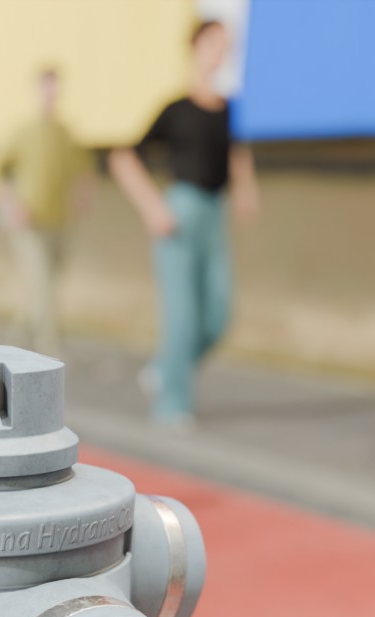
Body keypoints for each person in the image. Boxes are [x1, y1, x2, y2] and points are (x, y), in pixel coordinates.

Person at [109, 19, 258, 428]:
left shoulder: (229, 109)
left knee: (218, 315)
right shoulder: (175, 109)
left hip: (214, 213)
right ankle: (172, 404)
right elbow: (123, 158)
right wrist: (152, 207)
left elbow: (237, 153)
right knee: (182, 316)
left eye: (226, 44)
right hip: (179, 213)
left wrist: (246, 191)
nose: (221, 51)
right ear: (194, 47)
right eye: (213, 42)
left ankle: (163, 369)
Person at [0, 68, 94, 354]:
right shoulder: (22, 131)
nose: (51, 94)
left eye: (55, 88)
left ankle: (14, 343)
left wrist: (82, 197)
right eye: (46, 88)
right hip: (29, 225)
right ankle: (50, 351)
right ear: (37, 91)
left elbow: (84, 170)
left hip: (60, 223)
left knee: (42, 288)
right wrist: (10, 205)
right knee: (43, 286)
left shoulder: (65, 133)